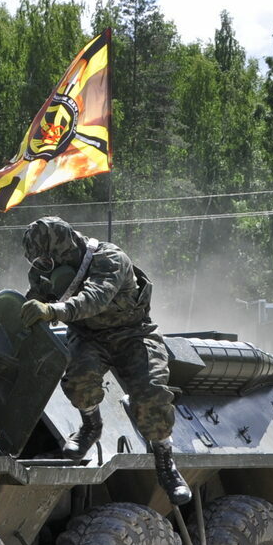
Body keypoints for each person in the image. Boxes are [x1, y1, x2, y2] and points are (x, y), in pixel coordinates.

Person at [18, 216, 191, 505]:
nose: (44, 269)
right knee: (78, 379)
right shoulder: (45, 272)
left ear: (62, 249)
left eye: (47, 261)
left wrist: (51, 311)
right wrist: (6, 322)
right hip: (88, 336)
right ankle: (90, 426)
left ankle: (165, 461)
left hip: (133, 334)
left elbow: (94, 298)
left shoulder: (109, 258)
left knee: (151, 394)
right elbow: (32, 303)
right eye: (39, 264)